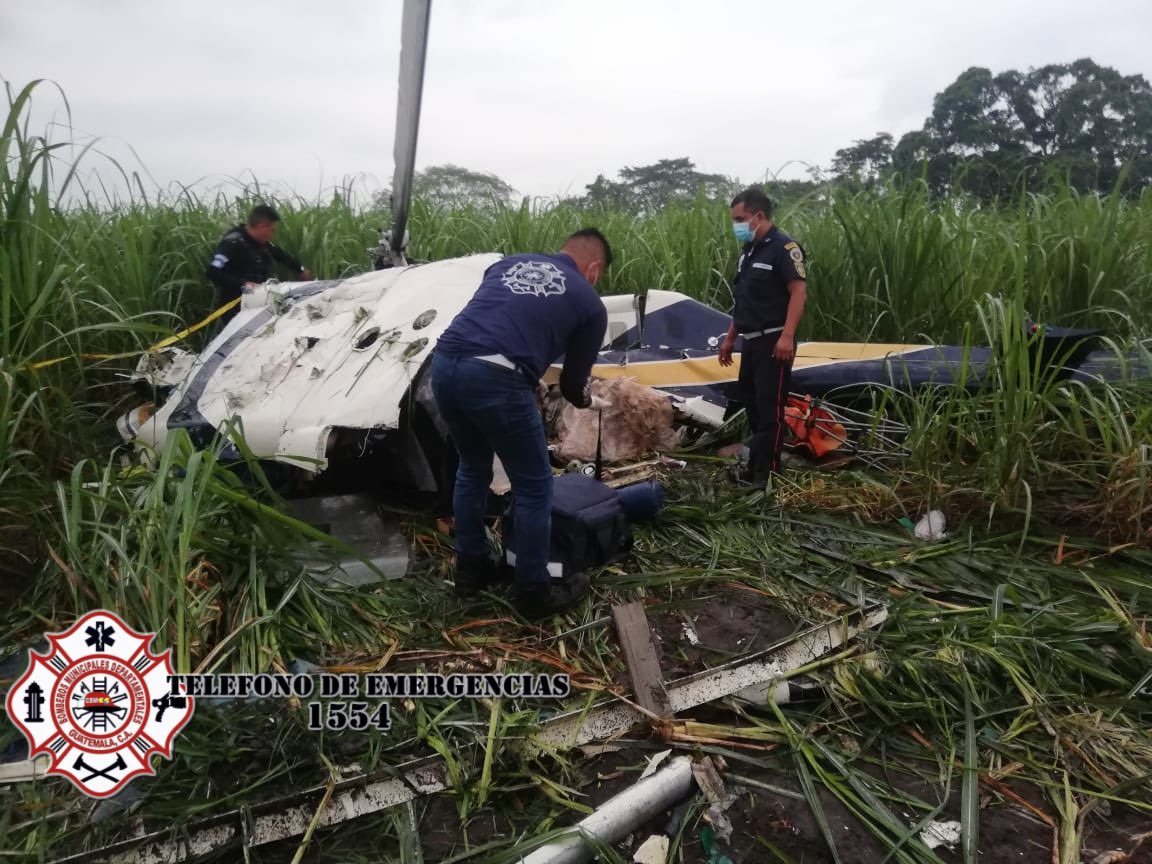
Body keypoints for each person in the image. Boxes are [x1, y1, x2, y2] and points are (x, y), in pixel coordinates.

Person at [431, 229, 613, 618]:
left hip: (444, 365)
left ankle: (471, 568)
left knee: (472, 467)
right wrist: (588, 400)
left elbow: (498, 316)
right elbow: (571, 383)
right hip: (497, 378)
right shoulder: (590, 303)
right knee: (534, 486)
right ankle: (533, 590)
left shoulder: (507, 264)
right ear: (594, 268)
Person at [718, 188, 808, 484]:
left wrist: (787, 336)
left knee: (771, 409)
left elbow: (798, 292)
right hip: (751, 341)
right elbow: (743, 301)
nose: (737, 226)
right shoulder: (748, 253)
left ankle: (767, 476)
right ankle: (754, 466)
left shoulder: (784, 249)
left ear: (758, 216)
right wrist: (731, 337)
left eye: (740, 219)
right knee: (753, 405)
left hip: (774, 341)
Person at [205, 205, 313, 326]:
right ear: (262, 227)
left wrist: (301, 270)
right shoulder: (232, 243)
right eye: (271, 230)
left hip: (258, 302)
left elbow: (281, 255)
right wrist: (242, 284)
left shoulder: (262, 242)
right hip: (235, 307)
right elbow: (212, 271)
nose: (271, 235)